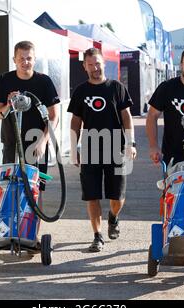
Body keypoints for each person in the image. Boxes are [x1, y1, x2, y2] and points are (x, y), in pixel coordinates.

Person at [68, 48, 136, 252]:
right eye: (90, 64)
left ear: (103, 63)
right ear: (85, 66)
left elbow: (126, 117)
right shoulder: (81, 91)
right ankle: (97, 236)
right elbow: (75, 122)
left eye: (97, 63)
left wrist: (130, 143)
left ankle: (113, 217)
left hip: (116, 146)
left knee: (118, 197)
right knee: (92, 195)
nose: (94, 68)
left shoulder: (116, 88)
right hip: (90, 147)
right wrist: (73, 149)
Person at [0, 40, 60, 216]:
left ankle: (33, 234)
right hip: (11, 143)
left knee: (35, 189)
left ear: (34, 59)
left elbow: (54, 116)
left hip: (35, 144)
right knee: (8, 186)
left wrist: (43, 141)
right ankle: (8, 227)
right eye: (21, 58)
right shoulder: (5, 80)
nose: (25, 62)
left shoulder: (44, 81)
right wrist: (8, 104)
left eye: (29, 58)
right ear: (14, 59)